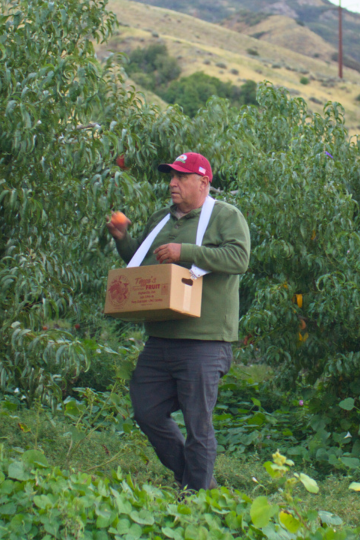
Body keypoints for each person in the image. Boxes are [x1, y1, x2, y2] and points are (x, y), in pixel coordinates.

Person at [106, 152, 250, 491]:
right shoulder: (161, 218)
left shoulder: (226, 216)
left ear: (203, 183)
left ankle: (196, 501)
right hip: (161, 336)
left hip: (205, 340)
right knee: (146, 410)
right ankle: (200, 483)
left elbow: (239, 258)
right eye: (171, 176)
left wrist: (184, 251)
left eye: (181, 177)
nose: (172, 183)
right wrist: (124, 239)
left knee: (198, 426)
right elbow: (142, 265)